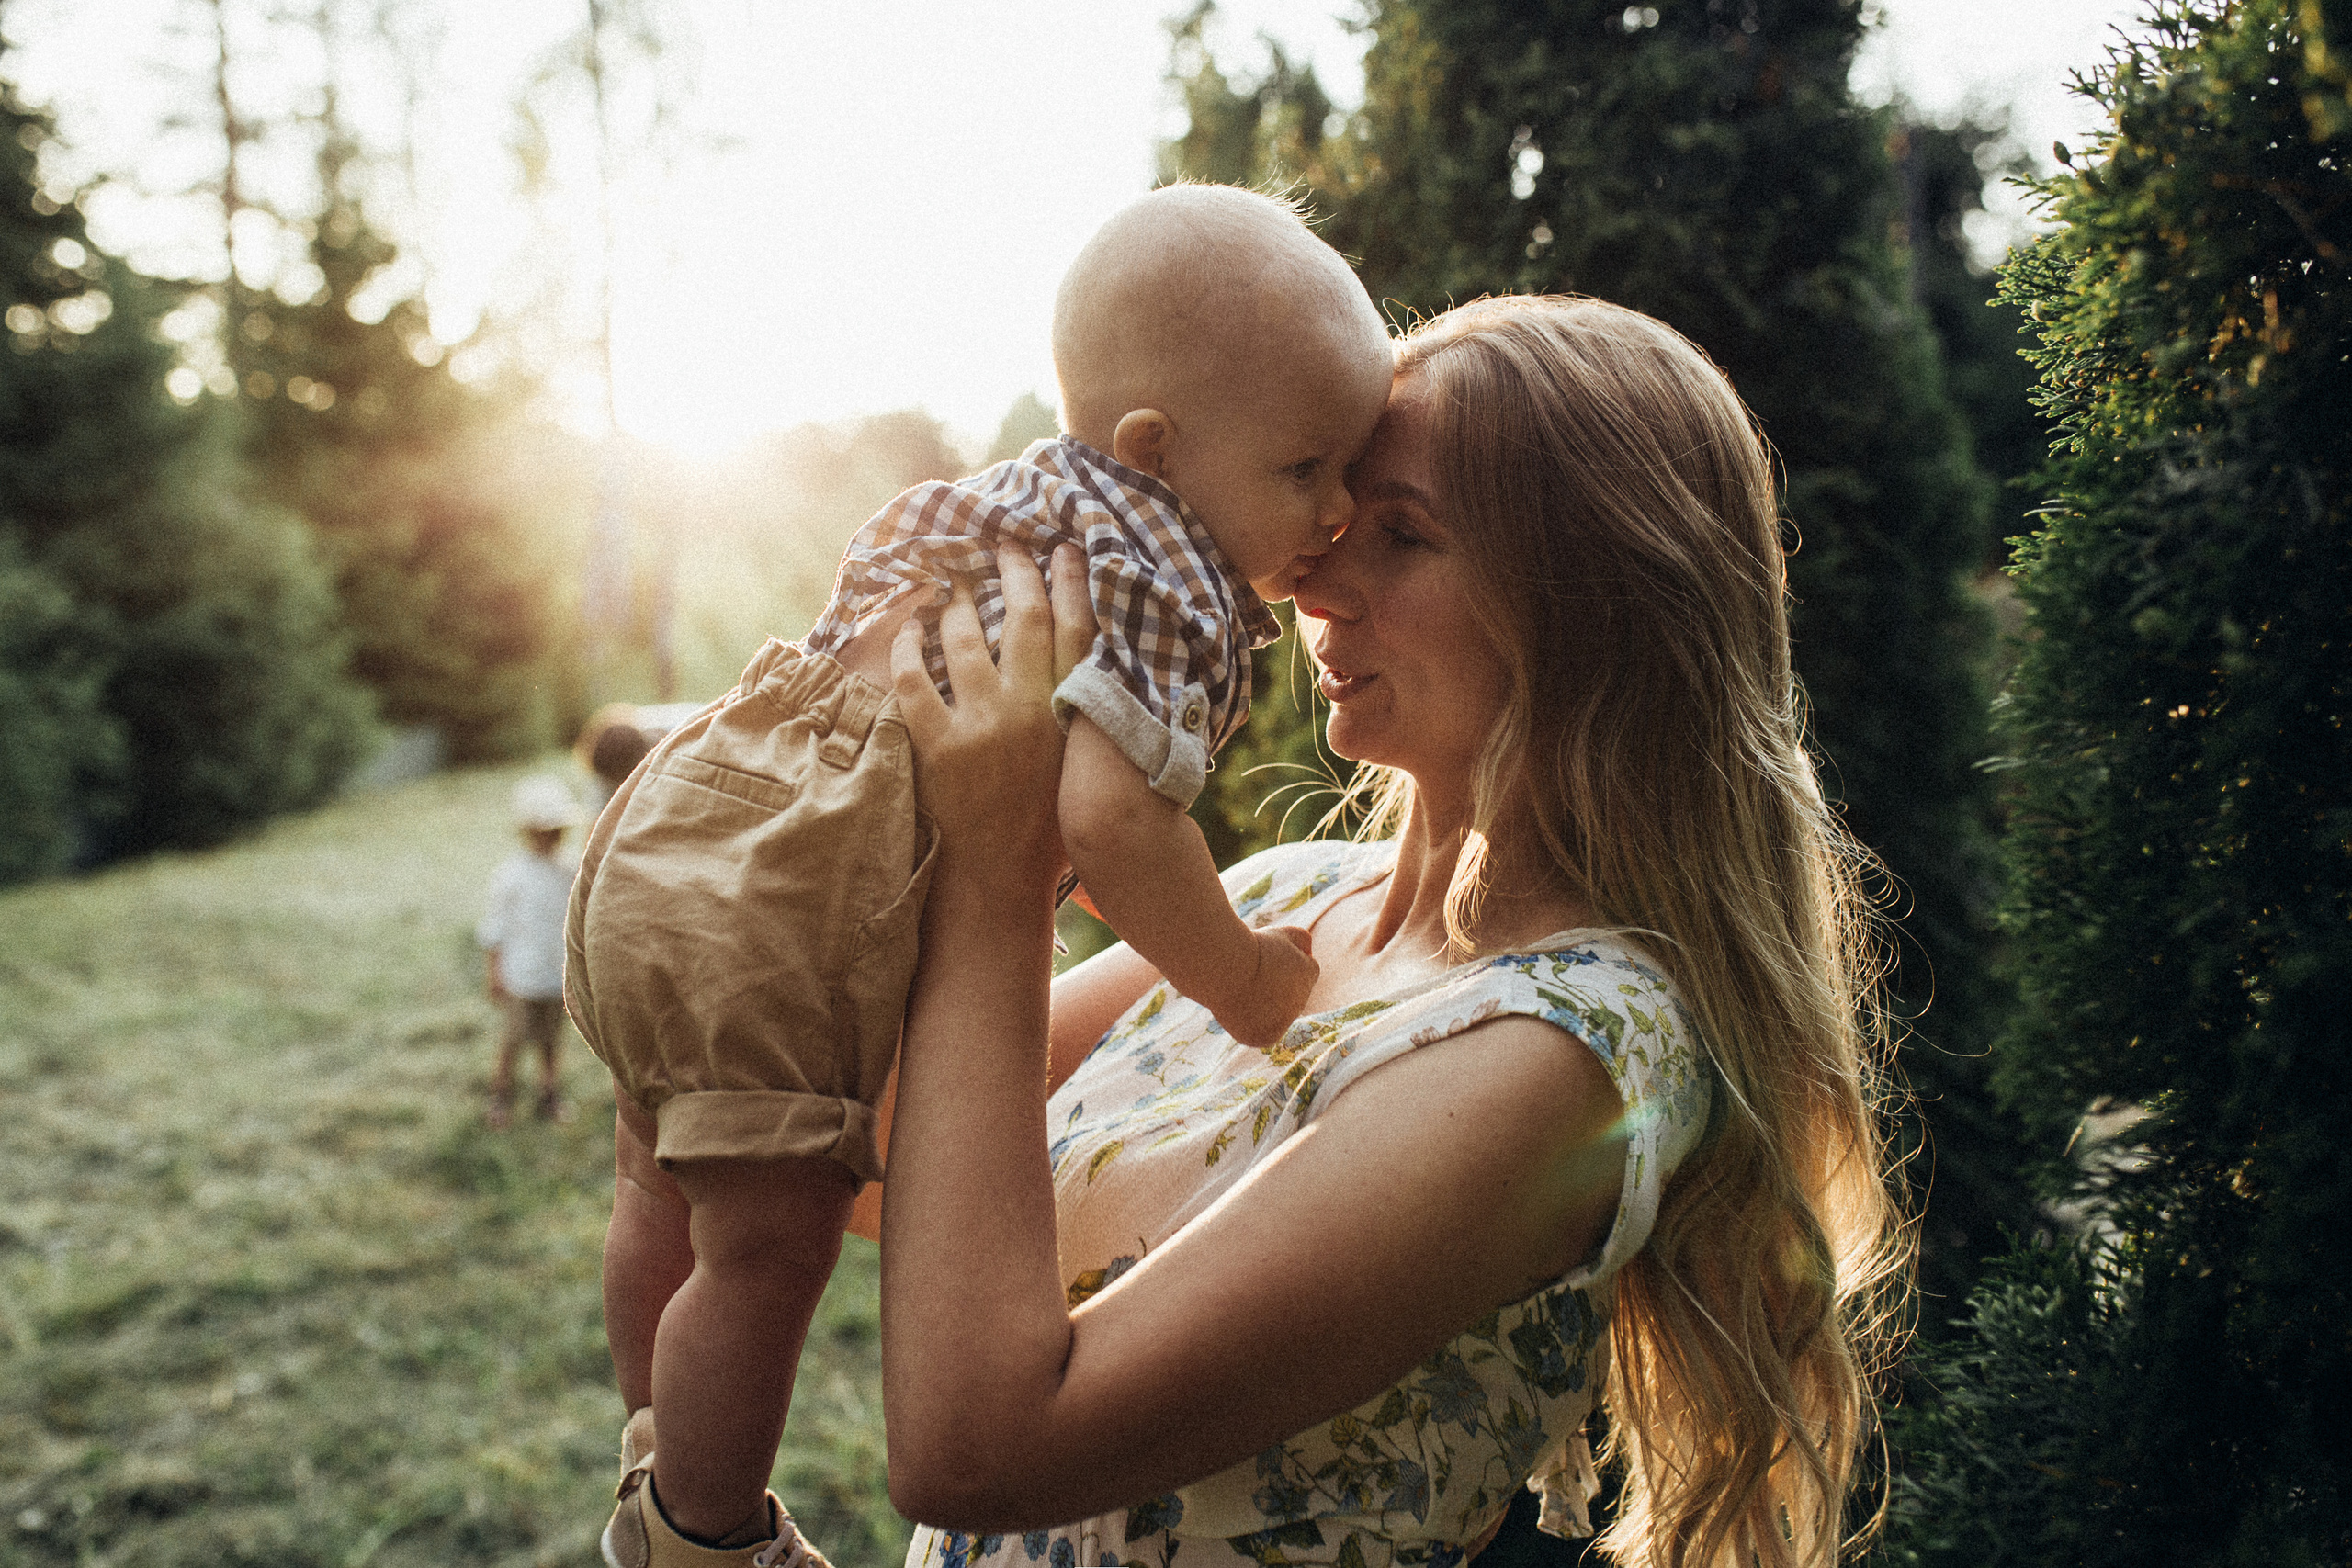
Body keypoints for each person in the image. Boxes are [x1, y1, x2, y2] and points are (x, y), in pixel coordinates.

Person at [876, 296, 1910, 1568]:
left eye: (1404, 533)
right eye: (1330, 512)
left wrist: (998, 874)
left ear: (1593, 603)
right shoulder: (1278, 899)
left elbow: (976, 1447)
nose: (1312, 571)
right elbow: (872, 1159)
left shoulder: (1570, 1047)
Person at [565, 184, 1394, 1568]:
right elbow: (1114, 825)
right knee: (769, 1245)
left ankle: (656, 1435)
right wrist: (1244, 976)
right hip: (790, 907)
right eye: (1310, 469)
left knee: (661, 1181)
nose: (1340, 507)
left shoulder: (1019, 504)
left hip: (678, 820)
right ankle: (700, 1531)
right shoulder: (1166, 586)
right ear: (1158, 450)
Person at [477, 774, 584, 1130]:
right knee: (513, 1041)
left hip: (556, 975)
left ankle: (549, 1094)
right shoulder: (510, 874)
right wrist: (494, 973)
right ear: (526, 831)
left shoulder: (570, 869)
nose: (549, 837)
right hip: (521, 976)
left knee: (550, 1041)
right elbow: (494, 928)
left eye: (555, 830)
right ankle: (500, 1097)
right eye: (541, 830)